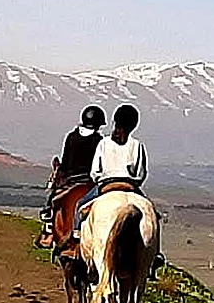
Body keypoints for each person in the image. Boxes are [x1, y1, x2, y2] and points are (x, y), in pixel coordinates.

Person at [67, 103, 165, 279]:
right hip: (130, 187)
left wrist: (103, 179)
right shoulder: (137, 145)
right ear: (134, 125)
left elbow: (94, 172)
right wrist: (132, 181)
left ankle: (76, 238)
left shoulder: (103, 143)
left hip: (106, 185)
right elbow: (141, 173)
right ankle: (155, 255)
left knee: (81, 206)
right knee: (154, 215)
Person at [39, 105, 106, 226]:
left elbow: (65, 161)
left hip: (71, 179)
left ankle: (48, 214)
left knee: (54, 197)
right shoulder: (100, 140)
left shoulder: (71, 137)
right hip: (90, 180)